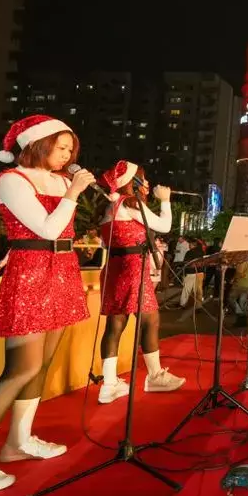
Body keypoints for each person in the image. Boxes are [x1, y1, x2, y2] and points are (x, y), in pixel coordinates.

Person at [0, 115, 93, 494]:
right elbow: (46, 229)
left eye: (70, 149)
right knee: (19, 368)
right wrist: (73, 194)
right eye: (60, 147)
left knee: (42, 365)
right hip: (32, 273)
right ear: (38, 144)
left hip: (62, 270)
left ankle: (18, 442)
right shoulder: (12, 180)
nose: (67, 155)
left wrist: (69, 191)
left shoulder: (60, 180)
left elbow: (65, 231)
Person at [95, 160, 184, 404]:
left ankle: (109, 384)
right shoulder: (129, 203)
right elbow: (164, 226)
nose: (148, 183)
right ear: (133, 184)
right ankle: (155, 375)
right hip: (132, 268)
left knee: (115, 324)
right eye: (143, 179)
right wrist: (165, 200)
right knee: (150, 320)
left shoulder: (109, 207)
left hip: (114, 268)